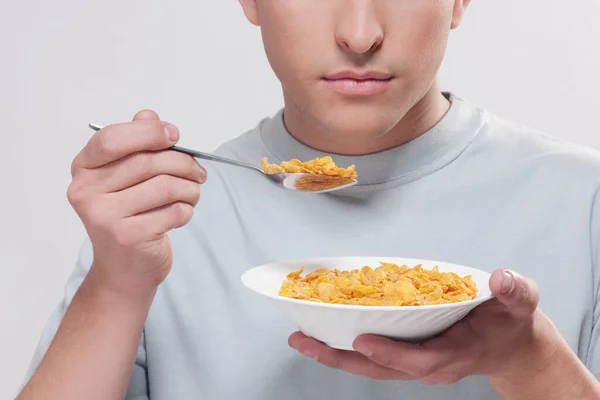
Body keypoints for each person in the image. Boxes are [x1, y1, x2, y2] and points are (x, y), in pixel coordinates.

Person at [16, 1, 600, 399]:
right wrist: (117, 284)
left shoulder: (582, 198)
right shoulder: (160, 215)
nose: (360, 33)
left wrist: (532, 360)